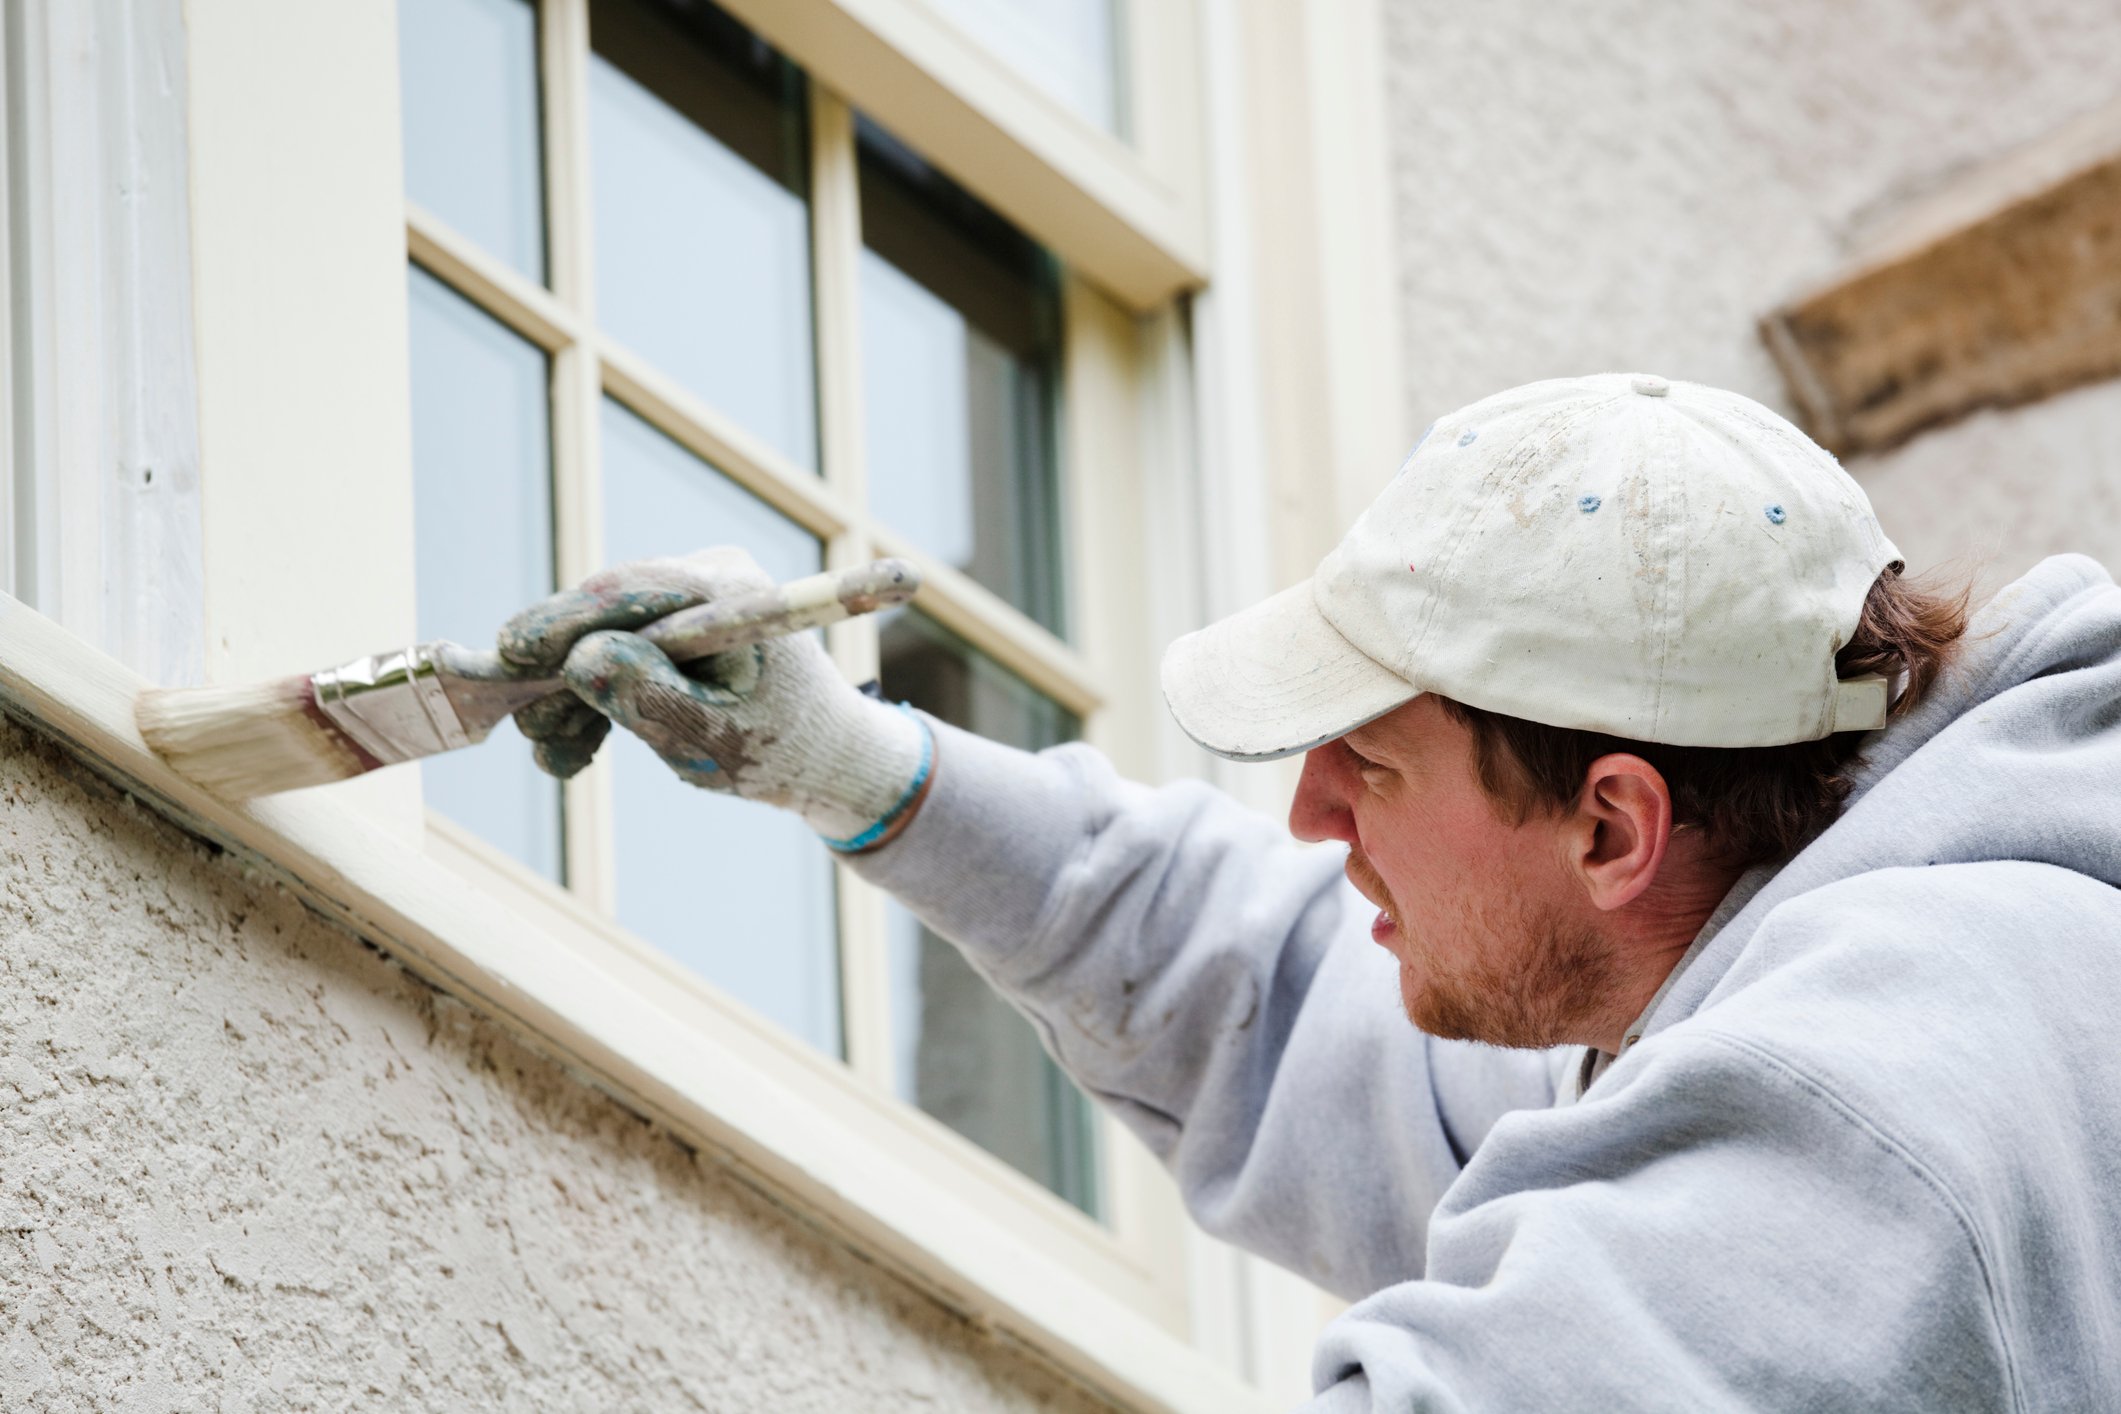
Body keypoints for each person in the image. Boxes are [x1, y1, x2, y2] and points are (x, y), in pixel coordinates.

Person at [497, 373, 2121, 1411]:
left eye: (1375, 765)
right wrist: (846, 761)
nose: (1311, 807)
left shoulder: (1882, 1093)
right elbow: (1273, 993)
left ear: (1614, 828)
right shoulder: (1755, 931)